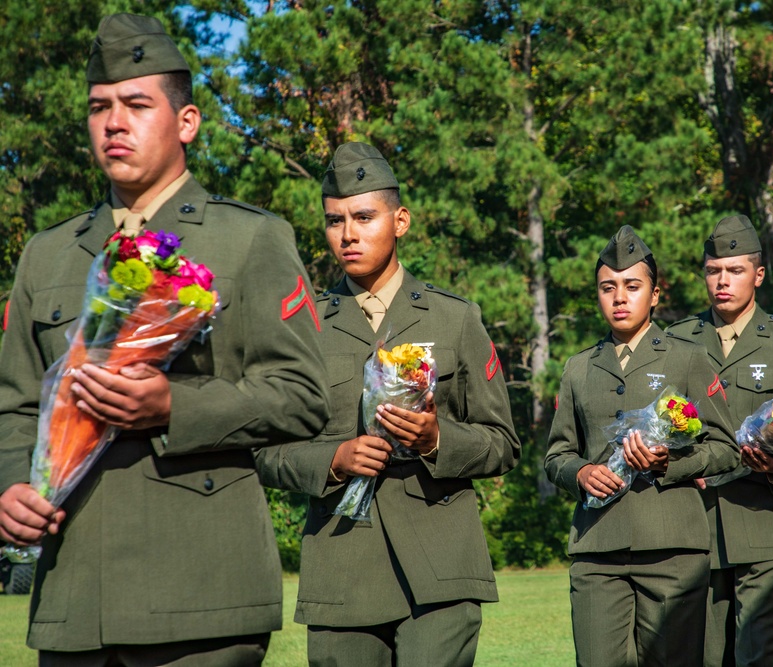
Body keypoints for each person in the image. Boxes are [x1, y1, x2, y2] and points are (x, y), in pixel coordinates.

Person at [0, 13, 329, 665]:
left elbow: (303, 396)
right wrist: (11, 484)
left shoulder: (251, 240)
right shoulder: (47, 256)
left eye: (136, 104)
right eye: (99, 107)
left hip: (201, 592)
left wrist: (175, 407)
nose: (113, 122)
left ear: (186, 122)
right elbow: (12, 405)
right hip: (74, 601)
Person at [254, 141, 520, 666]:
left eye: (364, 216)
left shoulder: (456, 319)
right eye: (335, 221)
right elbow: (266, 452)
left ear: (400, 220)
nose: (348, 234)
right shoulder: (302, 326)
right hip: (342, 568)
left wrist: (437, 439)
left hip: (441, 570)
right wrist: (334, 459)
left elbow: (503, 445)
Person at [544, 225, 739, 667]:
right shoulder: (578, 369)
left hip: (672, 550)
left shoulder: (687, 358)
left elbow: (725, 448)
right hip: (597, 552)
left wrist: (670, 462)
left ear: (654, 294)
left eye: (632, 286)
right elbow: (555, 456)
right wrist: (578, 474)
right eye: (607, 287)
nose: (619, 297)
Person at [666, 214, 773, 667]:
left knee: (759, 658)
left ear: (757, 274)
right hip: (695, 527)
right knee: (702, 658)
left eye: (735, 271)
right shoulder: (677, 340)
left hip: (765, 523)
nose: (723, 281)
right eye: (714, 270)